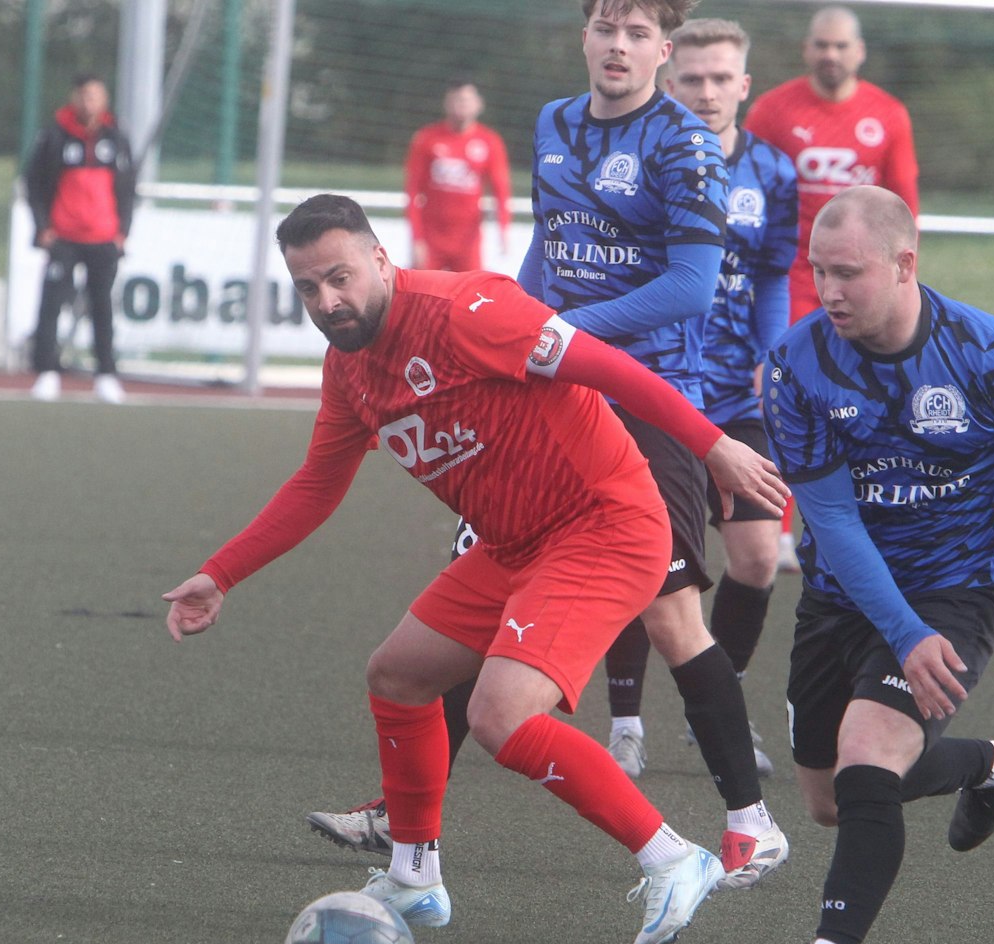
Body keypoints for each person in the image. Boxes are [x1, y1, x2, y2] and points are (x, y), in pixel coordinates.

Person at [164, 194, 789, 944]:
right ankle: (414, 875)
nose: (327, 301)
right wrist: (221, 574)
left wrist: (714, 445)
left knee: (501, 714)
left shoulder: (467, 311)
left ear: (381, 260)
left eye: (339, 277)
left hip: (605, 524)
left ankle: (671, 857)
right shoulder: (348, 371)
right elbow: (315, 486)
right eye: (308, 288)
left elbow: (612, 368)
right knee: (397, 673)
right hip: (515, 543)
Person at [306, 0, 797, 895]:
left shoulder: (686, 143)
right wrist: (504, 318)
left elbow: (690, 290)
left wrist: (551, 336)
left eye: (637, 33)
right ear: (584, 36)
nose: (618, 45)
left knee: (672, 616)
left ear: (661, 47)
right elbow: (548, 250)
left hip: (644, 395)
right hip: (547, 384)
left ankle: (749, 820)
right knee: (478, 594)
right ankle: (403, 820)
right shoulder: (554, 123)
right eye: (606, 27)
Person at [745, 186, 994, 944]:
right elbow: (831, 519)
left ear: (905, 265)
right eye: (819, 271)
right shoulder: (795, 364)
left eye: (849, 273)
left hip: (952, 591)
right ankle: (993, 763)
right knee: (831, 798)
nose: (829, 291)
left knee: (869, 757)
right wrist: (899, 633)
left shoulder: (987, 354)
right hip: (842, 597)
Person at [601, 17, 798, 781]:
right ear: (668, 79)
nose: (707, 92)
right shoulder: (641, 156)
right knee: (646, 560)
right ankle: (624, 722)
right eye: (692, 79)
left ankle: (718, 700)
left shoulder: (773, 172)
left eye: (721, 79)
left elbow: (773, 274)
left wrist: (772, 358)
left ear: (744, 85)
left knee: (757, 555)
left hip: (735, 393)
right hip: (654, 387)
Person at [743, 6, 919, 573]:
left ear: (859, 51)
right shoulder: (773, 110)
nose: (831, 54)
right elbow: (745, 186)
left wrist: (902, 280)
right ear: (807, 49)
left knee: (872, 399)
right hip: (790, 278)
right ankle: (779, 527)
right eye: (822, 44)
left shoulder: (888, 115)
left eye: (841, 45)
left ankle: (874, 522)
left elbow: (904, 206)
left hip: (864, 285)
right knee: (783, 398)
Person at [25, 74, 136, 405]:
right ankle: (47, 372)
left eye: (96, 96)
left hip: (103, 238)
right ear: (75, 98)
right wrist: (42, 226)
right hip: (64, 237)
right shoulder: (54, 136)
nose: (90, 102)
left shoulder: (116, 138)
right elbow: (34, 183)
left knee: (102, 306)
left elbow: (127, 188)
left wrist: (122, 231)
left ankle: (106, 374)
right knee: (52, 303)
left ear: (104, 100)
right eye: (85, 96)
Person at [404, 80, 511, 272]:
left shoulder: (489, 141)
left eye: (466, 100)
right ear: (446, 103)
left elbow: (501, 189)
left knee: (470, 289)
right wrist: (417, 238)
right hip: (431, 238)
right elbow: (412, 191)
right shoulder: (427, 139)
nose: (462, 105)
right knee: (423, 288)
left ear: (479, 104)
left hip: (468, 241)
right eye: (457, 100)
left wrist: (503, 229)